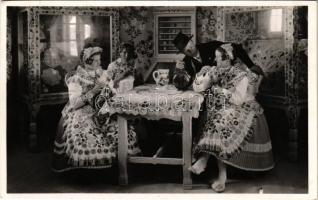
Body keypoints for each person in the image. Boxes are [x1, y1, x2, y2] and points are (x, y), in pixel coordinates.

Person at [189, 46, 274, 192]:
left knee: (220, 120)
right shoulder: (214, 70)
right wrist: (199, 76)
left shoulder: (241, 75)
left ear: (227, 58)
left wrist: (221, 91)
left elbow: (238, 100)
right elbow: (198, 88)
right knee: (215, 117)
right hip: (221, 106)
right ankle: (208, 161)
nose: (214, 60)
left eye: (217, 57)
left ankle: (214, 167)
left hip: (240, 106)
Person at [52, 46, 141, 172]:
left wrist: (110, 91)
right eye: (96, 61)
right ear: (87, 61)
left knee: (120, 128)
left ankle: (118, 164)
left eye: (99, 60)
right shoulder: (76, 78)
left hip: (103, 108)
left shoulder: (103, 74)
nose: (100, 63)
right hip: (82, 109)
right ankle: (90, 170)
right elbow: (75, 104)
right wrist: (93, 91)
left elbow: (112, 91)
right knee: (85, 133)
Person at [172, 32, 264, 90]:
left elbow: (236, 48)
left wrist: (251, 65)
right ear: (183, 52)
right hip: (208, 94)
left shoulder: (211, 46)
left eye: (190, 44)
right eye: (186, 49)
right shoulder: (186, 62)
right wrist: (178, 71)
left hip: (228, 87)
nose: (190, 48)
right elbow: (183, 85)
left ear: (192, 41)